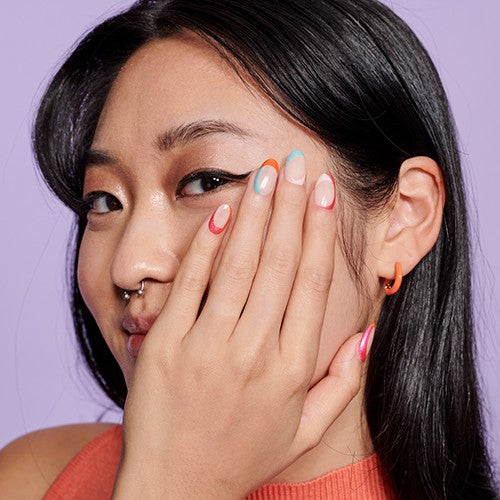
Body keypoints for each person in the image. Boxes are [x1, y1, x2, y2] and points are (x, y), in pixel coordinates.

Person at [0, 0, 497, 498]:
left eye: (205, 180)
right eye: (104, 200)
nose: (130, 266)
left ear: (403, 219)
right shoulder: (34, 479)